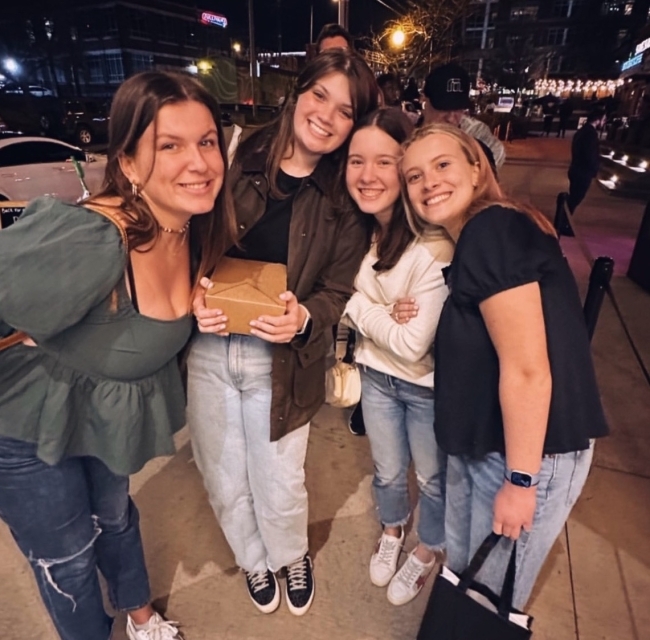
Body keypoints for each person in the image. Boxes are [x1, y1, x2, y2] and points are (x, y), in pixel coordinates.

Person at [0, 70, 237, 640]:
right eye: (170, 146)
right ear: (129, 163)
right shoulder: (94, 239)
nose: (199, 163)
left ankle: (139, 614)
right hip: (25, 430)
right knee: (70, 560)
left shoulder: (194, 229)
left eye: (206, 141)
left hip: (102, 412)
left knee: (116, 519)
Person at [188, 49, 379, 617]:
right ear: (298, 93)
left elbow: (338, 290)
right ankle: (253, 559)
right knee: (222, 474)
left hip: (286, 359)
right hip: (211, 345)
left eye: (345, 110)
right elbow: (192, 237)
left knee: (281, 481)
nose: (326, 115)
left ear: (353, 124)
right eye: (319, 94)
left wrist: (304, 318)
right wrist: (195, 289)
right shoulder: (235, 152)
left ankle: (290, 552)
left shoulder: (344, 197)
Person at [400, 123, 608, 609]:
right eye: (414, 176)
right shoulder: (488, 232)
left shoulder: (490, 230)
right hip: (488, 445)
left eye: (443, 165)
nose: (429, 182)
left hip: (524, 454)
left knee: (489, 596)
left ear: (477, 169)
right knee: (470, 578)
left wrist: (521, 481)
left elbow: (528, 369)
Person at [341, 108, 453, 606]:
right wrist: (381, 310)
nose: (368, 176)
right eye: (356, 161)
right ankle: (393, 531)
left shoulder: (434, 245)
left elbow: (412, 344)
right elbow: (336, 316)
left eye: (384, 162)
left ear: (404, 169)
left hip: (425, 385)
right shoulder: (354, 234)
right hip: (374, 376)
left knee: (431, 477)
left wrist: (355, 301)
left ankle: (427, 549)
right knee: (387, 472)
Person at [421, 62, 505, 171]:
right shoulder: (405, 132)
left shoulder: (476, 133)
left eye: (458, 108)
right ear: (424, 100)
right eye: (443, 108)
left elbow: (497, 154)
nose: (451, 118)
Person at [567, 108, 606, 213]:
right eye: (603, 120)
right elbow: (590, 154)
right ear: (598, 120)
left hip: (576, 169)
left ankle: (564, 219)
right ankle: (563, 222)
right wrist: (594, 168)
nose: (604, 123)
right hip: (583, 172)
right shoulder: (591, 134)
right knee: (575, 199)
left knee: (573, 198)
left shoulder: (582, 131)